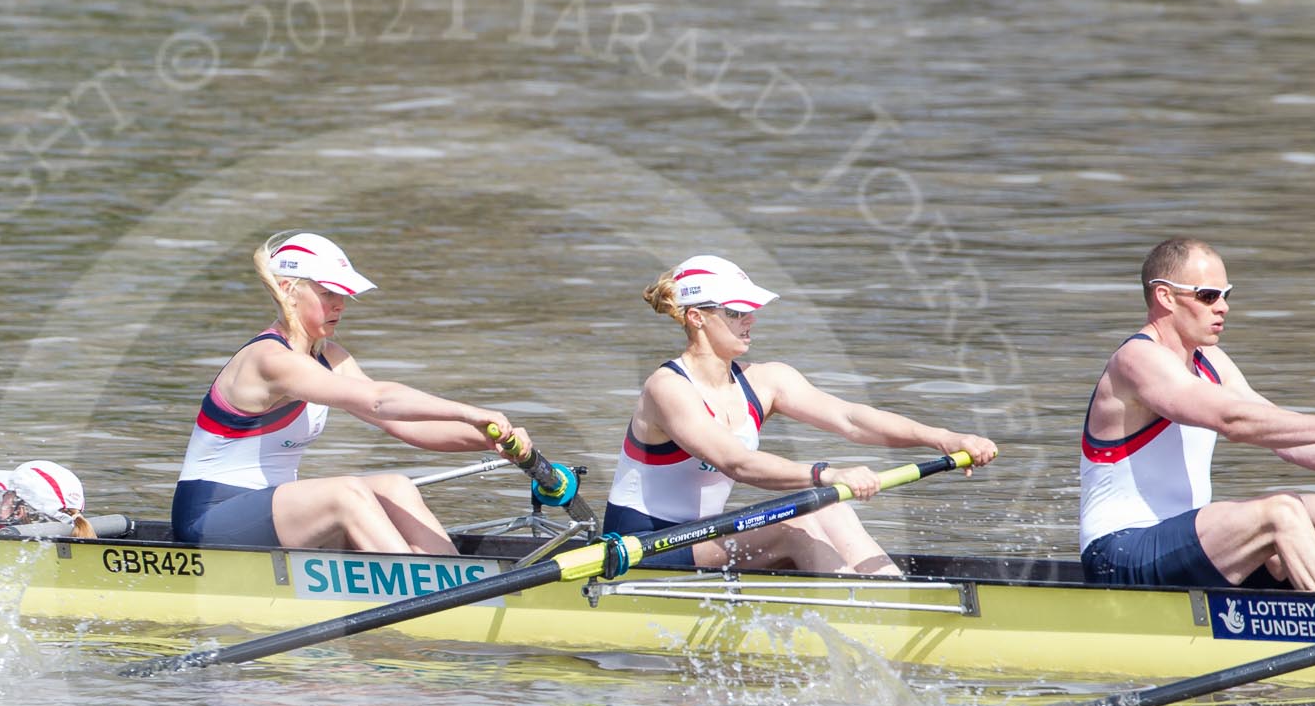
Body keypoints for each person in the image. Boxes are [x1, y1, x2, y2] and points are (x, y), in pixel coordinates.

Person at [1079, 237, 1315, 593]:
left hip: (1185, 549)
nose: (1223, 308)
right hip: (1118, 554)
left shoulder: (1211, 362)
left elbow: (1290, 444)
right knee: (1280, 512)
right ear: (1165, 296)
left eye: (1225, 295)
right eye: (1207, 295)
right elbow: (1233, 421)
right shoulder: (1137, 361)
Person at [603, 255, 998, 574]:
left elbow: (852, 419)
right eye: (738, 311)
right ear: (697, 317)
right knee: (801, 522)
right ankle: (877, 619)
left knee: (830, 506)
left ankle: (888, 595)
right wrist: (827, 475)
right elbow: (736, 463)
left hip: (704, 539)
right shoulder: (667, 387)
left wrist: (945, 438)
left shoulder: (767, 380)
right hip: (642, 550)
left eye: (751, 310)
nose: (751, 319)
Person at [171, 231, 532, 553]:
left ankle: (454, 578)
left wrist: (489, 439)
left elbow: (405, 425)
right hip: (210, 517)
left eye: (343, 294)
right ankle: (430, 593)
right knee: (345, 493)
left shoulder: (330, 356)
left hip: (272, 510)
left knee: (395, 486)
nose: (340, 305)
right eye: (328, 293)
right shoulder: (270, 359)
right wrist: (469, 411)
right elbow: (379, 398)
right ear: (287, 291)